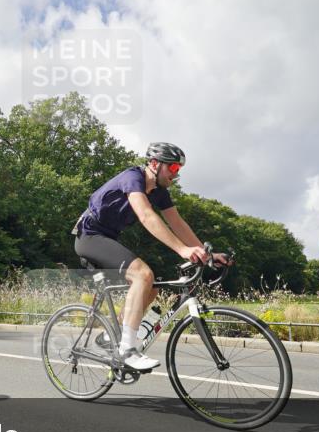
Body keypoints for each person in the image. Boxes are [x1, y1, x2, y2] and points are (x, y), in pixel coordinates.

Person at [72, 142, 231, 371]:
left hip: (108, 238)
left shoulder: (159, 192)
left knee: (151, 286)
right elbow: (146, 216)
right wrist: (183, 250)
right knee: (142, 275)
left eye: (179, 170)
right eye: (173, 168)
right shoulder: (132, 178)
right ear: (155, 164)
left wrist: (207, 255)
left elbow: (177, 223)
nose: (176, 175)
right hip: (89, 236)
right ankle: (126, 350)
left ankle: (110, 338)